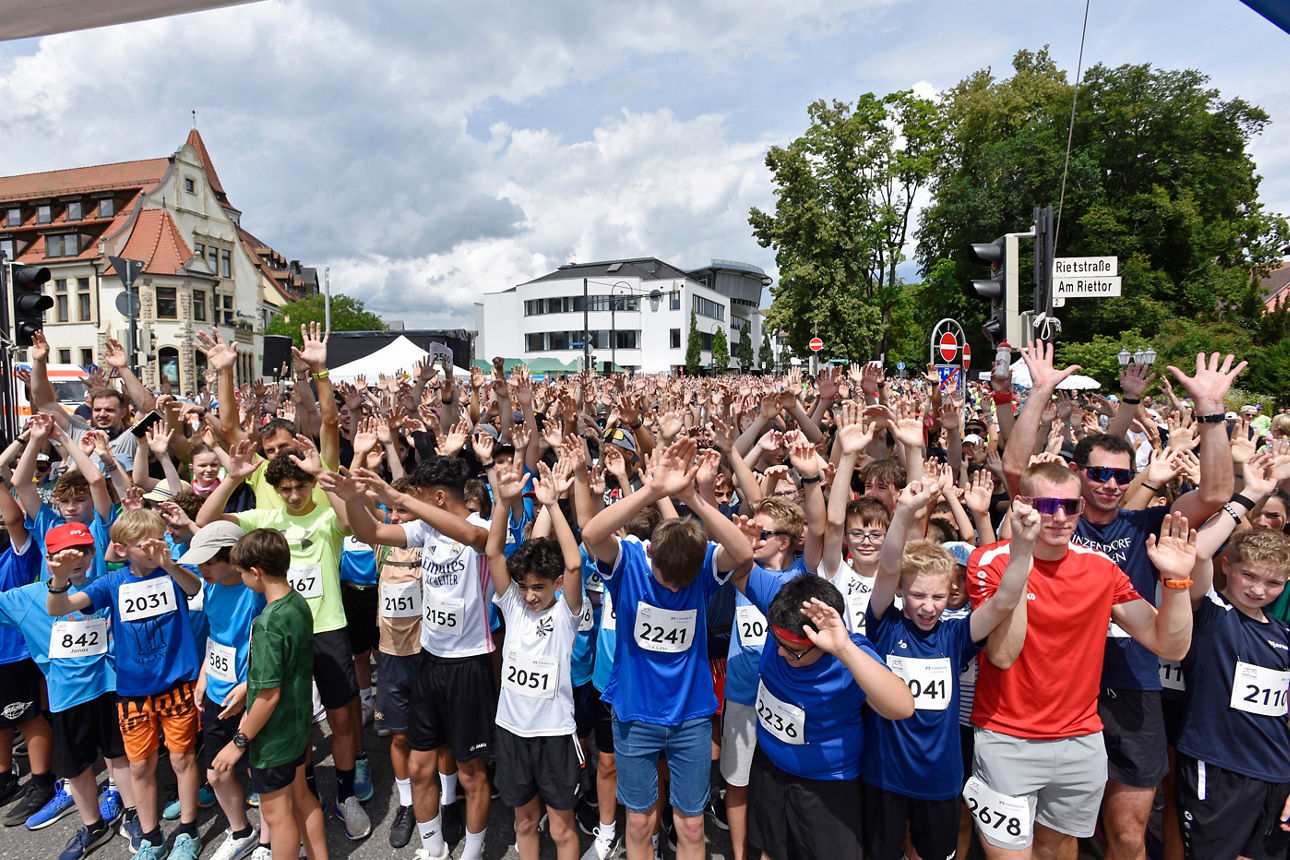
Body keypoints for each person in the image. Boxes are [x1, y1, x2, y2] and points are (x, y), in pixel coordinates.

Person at [1002, 342, 1243, 860]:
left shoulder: (1149, 524)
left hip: (1134, 685)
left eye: (1121, 475)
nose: (1110, 485)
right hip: (1060, 689)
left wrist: (1212, 416)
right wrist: (1039, 393)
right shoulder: (1056, 520)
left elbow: (1218, 495)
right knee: (1058, 837)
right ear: (1077, 473)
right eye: (1099, 474)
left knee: (1130, 836)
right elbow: (1016, 469)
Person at [966, 462, 1197, 859]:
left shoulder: (1101, 568)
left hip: (1080, 740)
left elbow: (1170, 646)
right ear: (1023, 505)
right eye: (1047, 504)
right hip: (1007, 738)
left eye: (1070, 506)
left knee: (1057, 850)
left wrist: (1176, 583)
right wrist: (1021, 556)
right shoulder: (989, 561)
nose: (1059, 517)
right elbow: (1003, 655)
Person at [580, 437, 753, 860]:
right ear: (651, 553)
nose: (674, 587)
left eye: (682, 581)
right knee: (640, 821)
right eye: (665, 577)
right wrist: (653, 490)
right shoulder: (630, 562)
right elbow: (591, 532)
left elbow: (743, 551)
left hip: (690, 717)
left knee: (691, 825)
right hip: (634, 713)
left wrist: (693, 496)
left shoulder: (701, 568)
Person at [195, 436, 372, 839]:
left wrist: (322, 476)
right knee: (295, 722)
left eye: (300, 486)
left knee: (342, 719)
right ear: (275, 490)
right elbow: (206, 524)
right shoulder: (266, 518)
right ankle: (307, 790)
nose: (293, 495)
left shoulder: (327, 517)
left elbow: (352, 524)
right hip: (283, 631)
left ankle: (347, 795)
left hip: (327, 629)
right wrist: (232, 480)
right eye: (285, 489)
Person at [327, 455, 494, 860]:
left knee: (472, 773)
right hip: (427, 661)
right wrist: (353, 500)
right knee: (421, 768)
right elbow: (372, 531)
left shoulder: (483, 526)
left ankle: (472, 852)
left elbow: (474, 539)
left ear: (436, 497)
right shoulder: (424, 527)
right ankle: (433, 848)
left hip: (470, 664)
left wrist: (397, 495)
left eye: (416, 497)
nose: (408, 504)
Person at [861, 483, 1038, 860]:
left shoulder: (956, 635)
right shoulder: (885, 625)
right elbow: (889, 565)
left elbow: (1005, 599)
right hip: (885, 774)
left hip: (939, 778)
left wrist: (1022, 547)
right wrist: (904, 511)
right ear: (900, 593)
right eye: (917, 595)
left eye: (938, 597)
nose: (928, 606)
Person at [46, 509, 205, 860]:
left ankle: (188, 831)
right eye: (143, 544)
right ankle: (150, 837)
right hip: (132, 692)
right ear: (120, 550)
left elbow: (194, 589)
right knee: (140, 765)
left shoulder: (173, 572)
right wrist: (57, 580)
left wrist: (170, 563)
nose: (153, 549)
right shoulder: (111, 584)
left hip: (177, 684)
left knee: (182, 758)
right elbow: (60, 608)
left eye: (158, 540)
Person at [734, 571, 914, 860]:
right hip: (769, 769)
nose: (780, 653)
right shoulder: (786, 609)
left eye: (794, 652)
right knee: (767, 851)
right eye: (776, 641)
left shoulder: (850, 656)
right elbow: (737, 564)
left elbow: (902, 707)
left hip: (826, 787)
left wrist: (843, 648)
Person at [0, 520, 130, 860]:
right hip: (67, 695)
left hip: (111, 685)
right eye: (64, 554)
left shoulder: (105, 583)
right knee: (77, 766)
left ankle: (134, 815)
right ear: (48, 558)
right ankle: (93, 826)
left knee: (120, 757)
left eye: (84, 551)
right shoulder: (25, 598)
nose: (77, 559)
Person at [487, 458, 585, 860]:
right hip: (511, 732)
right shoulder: (512, 607)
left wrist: (554, 505)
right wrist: (502, 501)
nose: (530, 595)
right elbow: (493, 551)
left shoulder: (566, 615)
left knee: (562, 829)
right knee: (524, 823)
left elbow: (575, 561)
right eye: (525, 587)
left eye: (539, 588)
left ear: (557, 585)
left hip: (555, 736)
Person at [211, 529, 326, 860]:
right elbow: (287, 665)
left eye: (242, 572)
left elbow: (269, 696)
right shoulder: (297, 603)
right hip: (297, 725)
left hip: (273, 737)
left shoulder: (267, 622)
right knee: (303, 797)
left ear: (256, 573)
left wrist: (239, 743)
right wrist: (249, 685)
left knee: (278, 816)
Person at [177, 521, 267, 860]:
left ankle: (268, 844)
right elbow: (216, 634)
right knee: (216, 773)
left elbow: (269, 646)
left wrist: (248, 686)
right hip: (215, 692)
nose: (202, 570)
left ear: (233, 557)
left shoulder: (255, 592)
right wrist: (203, 674)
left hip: (251, 697)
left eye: (209, 562)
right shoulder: (210, 586)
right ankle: (242, 831)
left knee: (261, 777)